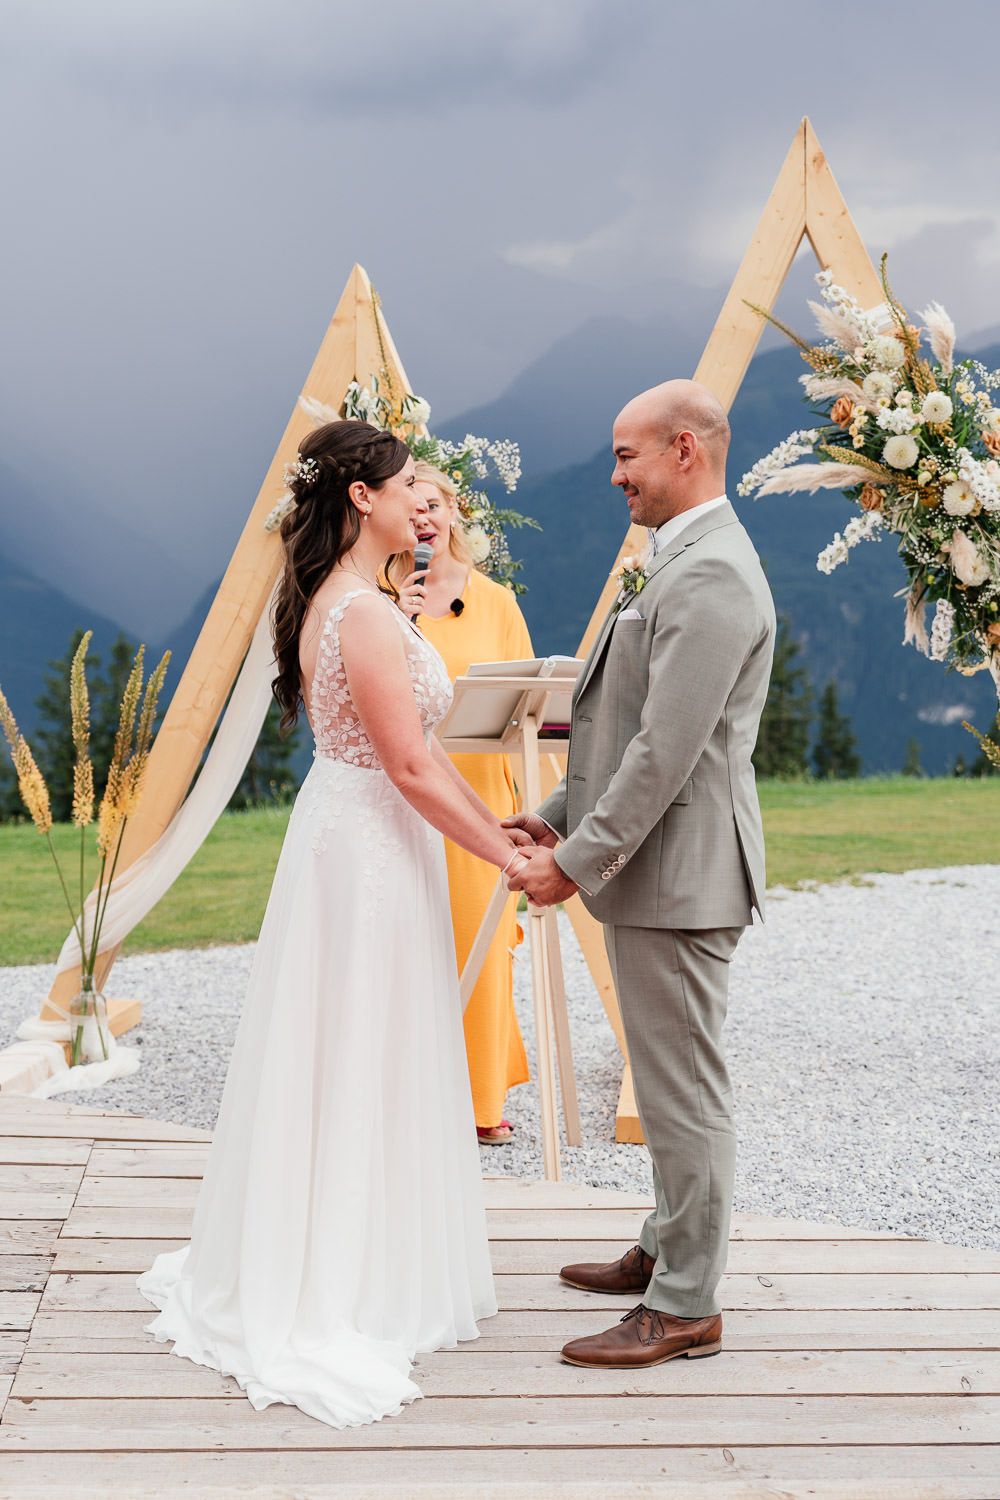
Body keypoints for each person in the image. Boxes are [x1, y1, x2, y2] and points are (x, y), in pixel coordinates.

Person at [137, 421, 534, 1428]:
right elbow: (405, 764)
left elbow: (423, 760)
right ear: (362, 498)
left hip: (362, 836)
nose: (424, 505)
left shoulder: (353, 603)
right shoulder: (359, 613)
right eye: (408, 487)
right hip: (364, 843)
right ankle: (342, 1283)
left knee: (367, 1044)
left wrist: (495, 831)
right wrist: (510, 860)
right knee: (358, 1044)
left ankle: (356, 1253)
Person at [505, 380, 775, 1370]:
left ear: (685, 450)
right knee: (667, 1085)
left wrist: (570, 864)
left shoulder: (710, 578)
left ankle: (687, 1302)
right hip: (663, 867)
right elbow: (622, 737)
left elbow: (664, 755)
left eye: (627, 456)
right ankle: (666, 1246)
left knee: (683, 1089)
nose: (613, 475)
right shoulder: (681, 561)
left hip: (683, 873)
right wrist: (553, 815)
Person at [393, 461, 532, 1145]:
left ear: (455, 513)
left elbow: (533, 702)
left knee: (482, 946)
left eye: (434, 505)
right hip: (409, 797)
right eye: (411, 507)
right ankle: (410, 1095)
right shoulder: (383, 598)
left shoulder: (499, 602)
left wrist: (538, 805)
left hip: (482, 796)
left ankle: (481, 1104)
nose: (424, 518)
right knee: (410, 945)